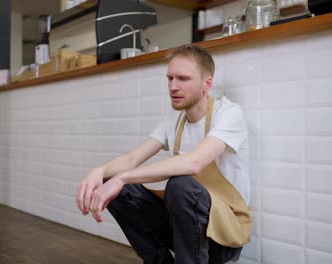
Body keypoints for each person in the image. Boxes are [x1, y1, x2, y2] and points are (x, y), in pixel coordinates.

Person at [76, 45, 252, 264]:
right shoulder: (174, 120)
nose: (173, 87)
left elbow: (193, 163)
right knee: (113, 182)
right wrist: (100, 172)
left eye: (183, 79)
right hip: (185, 231)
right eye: (170, 78)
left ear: (207, 84)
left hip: (224, 238)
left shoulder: (228, 113)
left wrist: (123, 177)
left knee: (180, 185)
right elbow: (131, 159)